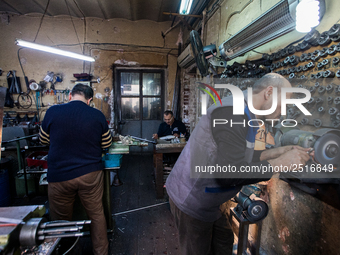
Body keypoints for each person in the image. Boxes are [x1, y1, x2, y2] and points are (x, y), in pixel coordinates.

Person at [165, 73, 312, 255]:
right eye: (284, 105)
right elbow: (228, 174)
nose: (283, 112)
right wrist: (280, 163)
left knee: (224, 242)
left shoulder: (246, 112)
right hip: (193, 199)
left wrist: (277, 152)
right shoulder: (233, 112)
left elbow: (240, 155)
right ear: (269, 93)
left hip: (213, 201)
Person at [39, 83, 112, 255]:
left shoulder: (53, 112)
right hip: (90, 174)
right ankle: (101, 252)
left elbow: (43, 139)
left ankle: (66, 251)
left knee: (60, 221)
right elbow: (107, 144)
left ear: (70, 96)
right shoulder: (97, 115)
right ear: (89, 100)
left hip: (60, 175)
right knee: (96, 215)